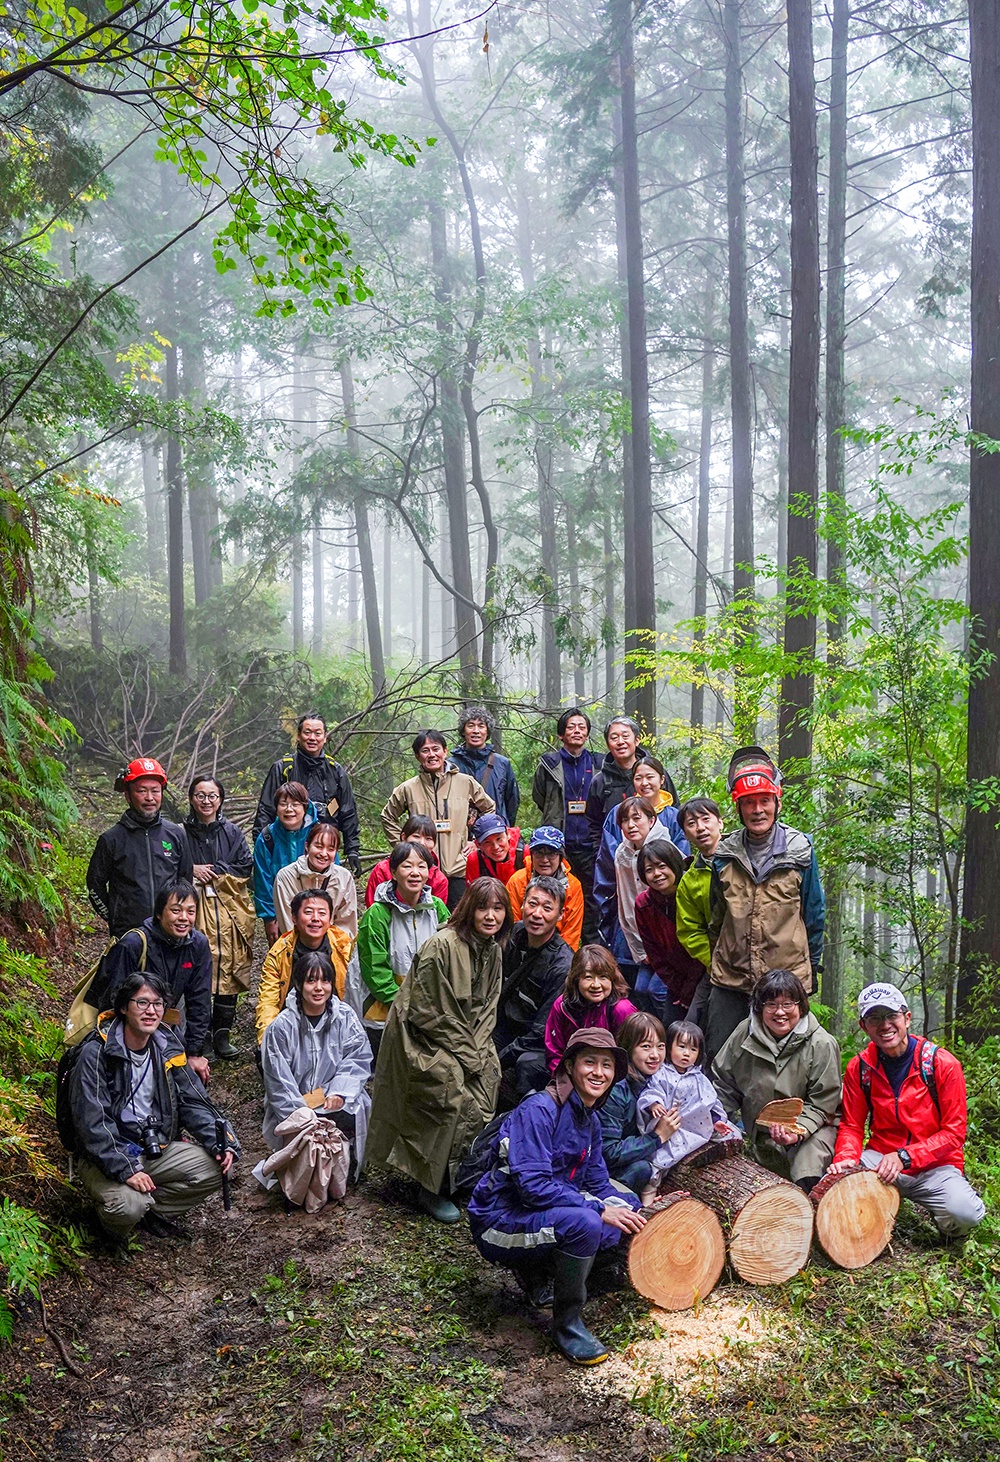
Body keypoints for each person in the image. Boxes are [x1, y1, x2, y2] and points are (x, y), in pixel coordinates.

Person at [468, 1027, 645, 1365]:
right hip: (499, 1221)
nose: (599, 1072)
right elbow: (532, 1187)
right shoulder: (539, 1109)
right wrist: (597, 1209)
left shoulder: (589, 1119)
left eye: (607, 1065)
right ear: (569, 1066)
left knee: (627, 1207)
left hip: (540, 1214)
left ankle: (542, 1276)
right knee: (586, 1222)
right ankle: (568, 1325)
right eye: (589, 1062)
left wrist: (639, 1210)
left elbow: (599, 1183)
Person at [366, 877, 513, 1223]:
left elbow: (487, 1008)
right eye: (483, 908)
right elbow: (429, 1011)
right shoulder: (442, 946)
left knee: (489, 1079)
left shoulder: (493, 950)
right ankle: (430, 1186)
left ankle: (459, 1174)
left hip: (466, 1039)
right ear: (469, 909)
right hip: (421, 1038)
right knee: (450, 1088)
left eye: (498, 909)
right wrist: (467, 1055)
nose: (490, 916)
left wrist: (479, 1052)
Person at [68, 972, 239, 1238]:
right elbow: (92, 1122)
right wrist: (126, 1168)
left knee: (216, 1168)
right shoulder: (96, 1052)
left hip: (153, 1147)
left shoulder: (166, 1045)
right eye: (142, 1003)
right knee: (127, 1207)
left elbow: (193, 1100)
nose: (151, 1011)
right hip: (106, 1154)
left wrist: (222, 1141)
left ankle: (150, 1212)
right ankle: (112, 1225)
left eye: (158, 1004)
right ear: (123, 1008)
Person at [826, 983, 985, 1238]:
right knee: (838, 1179)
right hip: (881, 1160)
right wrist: (845, 1157)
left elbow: (954, 1133)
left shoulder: (941, 1064)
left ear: (907, 1018)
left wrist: (905, 1157)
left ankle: (946, 1226)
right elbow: (852, 1126)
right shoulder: (860, 1068)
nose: (884, 1025)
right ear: (863, 1026)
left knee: (966, 1214)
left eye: (891, 1015)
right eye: (874, 1018)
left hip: (937, 1166)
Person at [704, 747, 825, 1065]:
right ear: (738, 807)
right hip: (731, 979)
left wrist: (812, 967)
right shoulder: (724, 854)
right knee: (720, 1058)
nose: (757, 810)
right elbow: (717, 916)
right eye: (749, 802)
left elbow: (813, 913)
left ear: (777, 802)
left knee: (789, 1064)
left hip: (786, 980)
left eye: (764, 801)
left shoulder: (800, 851)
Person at [712, 969, 841, 1194]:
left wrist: (797, 1131)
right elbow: (723, 1083)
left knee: (806, 1173)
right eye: (771, 1004)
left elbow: (824, 1103)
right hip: (763, 1133)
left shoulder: (822, 1044)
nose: (780, 1012)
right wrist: (716, 1118)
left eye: (788, 1004)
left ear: (801, 1006)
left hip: (812, 1131)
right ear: (759, 1007)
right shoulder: (744, 1034)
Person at [259, 950, 372, 1176]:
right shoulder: (281, 1027)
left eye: (325, 980)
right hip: (295, 1101)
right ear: (299, 984)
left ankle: (345, 1163)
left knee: (358, 1103)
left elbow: (357, 1057)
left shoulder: (345, 1017)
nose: (319, 988)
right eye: (311, 981)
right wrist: (301, 1112)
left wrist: (340, 1091)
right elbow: (278, 1081)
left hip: (333, 1095)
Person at [99, 880, 213, 1085]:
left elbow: (200, 1000)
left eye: (190, 912)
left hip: (167, 1027)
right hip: (130, 1029)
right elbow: (112, 1001)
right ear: (159, 913)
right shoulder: (133, 944)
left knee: (188, 1083)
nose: (184, 918)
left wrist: (194, 1052)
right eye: (176, 910)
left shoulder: (198, 945)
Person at [380, 731, 496, 907]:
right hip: (422, 872)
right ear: (417, 756)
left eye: (436, 749)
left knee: (458, 920)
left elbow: (489, 808)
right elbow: (387, 816)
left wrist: (477, 841)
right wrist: (405, 849)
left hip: (458, 869)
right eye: (425, 750)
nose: (432, 755)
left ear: (445, 751)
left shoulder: (465, 782)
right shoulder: (408, 788)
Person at [185, 775, 255, 1062]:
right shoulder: (180, 833)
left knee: (230, 966)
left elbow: (245, 865)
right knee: (199, 969)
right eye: (200, 795)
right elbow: (171, 863)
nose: (206, 801)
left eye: (212, 796)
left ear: (220, 799)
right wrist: (192, 869)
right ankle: (200, 1037)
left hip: (229, 909)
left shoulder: (232, 832)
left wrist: (216, 871)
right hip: (194, 908)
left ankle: (222, 1035)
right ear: (191, 799)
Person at [86, 758, 193, 939]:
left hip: (169, 933)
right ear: (128, 796)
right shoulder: (111, 839)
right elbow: (95, 885)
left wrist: (178, 918)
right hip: (128, 935)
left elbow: (185, 881)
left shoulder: (176, 834)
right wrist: (114, 917)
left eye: (155, 791)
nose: (149, 798)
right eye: (142, 791)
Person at [635, 1020, 737, 1205]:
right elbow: (651, 1091)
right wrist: (654, 1105)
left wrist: (715, 1121)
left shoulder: (699, 1078)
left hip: (694, 1127)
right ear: (669, 1046)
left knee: (732, 1135)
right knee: (657, 1163)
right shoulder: (661, 1073)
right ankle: (648, 1202)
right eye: (681, 1047)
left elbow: (709, 1102)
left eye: (693, 1049)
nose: (686, 1053)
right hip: (668, 1129)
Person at [494, 876, 574, 1101]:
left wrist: (499, 1058)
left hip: (535, 1040)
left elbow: (542, 1031)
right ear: (522, 905)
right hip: (504, 1023)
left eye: (547, 908)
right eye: (532, 904)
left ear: (560, 915)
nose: (537, 914)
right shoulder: (516, 933)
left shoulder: (562, 964)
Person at [354, 842, 450, 1027]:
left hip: (429, 1011)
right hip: (385, 1014)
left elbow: (450, 954)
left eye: (421, 866)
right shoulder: (378, 913)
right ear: (393, 872)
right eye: (407, 866)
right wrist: (407, 1005)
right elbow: (374, 969)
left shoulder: (437, 908)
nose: (415, 872)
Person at [252, 713, 361, 873]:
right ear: (298, 736)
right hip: (285, 846)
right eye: (307, 732)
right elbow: (266, 810)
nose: (312, 738)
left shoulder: (335, 772)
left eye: (317, 733)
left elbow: (348, 812)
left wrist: (352, 849)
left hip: (324, 849)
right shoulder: (283, 769)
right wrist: (260, 848)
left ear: (325, 737)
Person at [596, 797, 676, 997]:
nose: (630, 825)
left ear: (651, 820)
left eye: (636, 818)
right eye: (625, 820)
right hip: (643, 938)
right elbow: (626, 904)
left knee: (658, 991)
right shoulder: (622, 854)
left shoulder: (665, 849)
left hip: (672, 939)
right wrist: (641, 950)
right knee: (639, 989)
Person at [531, 708, 599, 944]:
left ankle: (589, 950)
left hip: (591, 845)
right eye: (571, 727)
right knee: (555, 894)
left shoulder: (598, 763)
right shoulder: (549, 764)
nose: (577, 731)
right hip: (559, 846)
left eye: (582, 727)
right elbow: (540, 796)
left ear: (587, 734)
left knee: (591, 900)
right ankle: (556, 947)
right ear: (561, 734)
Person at [256, 889, 352, 1044]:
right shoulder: (280, 952)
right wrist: (267, 1038)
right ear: (294, 918)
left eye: (322, 913)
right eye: (308, 912)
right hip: (292, 1024)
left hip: (336, 1022)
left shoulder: (344, 948)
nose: (315, 919)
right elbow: (268, 999)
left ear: (330, 919)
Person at [634, 842, 706, 1024]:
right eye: (649, 870)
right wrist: (680, 989)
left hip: (705, 973)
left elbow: (703, 943)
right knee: (671, 1026)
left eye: (661, 866)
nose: (656, 874)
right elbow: (655, 955)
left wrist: (690, 988)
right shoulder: (644, 904)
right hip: (677, 982)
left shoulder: (692, 891)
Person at [597, 1011, 668, 1195]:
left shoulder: (662, 1079)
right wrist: (657, 1137)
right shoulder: (616, 1089)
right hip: (604, 1169)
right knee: (641, 1169)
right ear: (628, 1048)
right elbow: (608, 1152)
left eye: (660, 1046)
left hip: (648, 1155)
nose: (655, 1055)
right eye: (646, 1047)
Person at [585, 718, 679, 849]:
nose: (620, 742)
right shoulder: (600, 781)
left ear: (637, 740)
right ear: (608, 744)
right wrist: (602, 853)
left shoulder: (656, 774)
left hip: (661, 854)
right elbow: (593, 824)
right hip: (616, 855)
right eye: (614, 738)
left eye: (625, 736)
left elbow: (675, 811)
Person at [544, 945, 637, 1072]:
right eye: (588, 977)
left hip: (610, 1075)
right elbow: (554, 1051)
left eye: (603, 977)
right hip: (570, 1072)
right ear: (576, 979)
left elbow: (633, 1056)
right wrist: (565, 1076)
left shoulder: (622, 1009)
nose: (596, 985)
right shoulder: (562, 1005)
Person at [674, 796, 725, 1024]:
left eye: (706, 819)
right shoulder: (689, 880)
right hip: (718, 965)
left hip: (760, 959)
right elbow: (690, 931)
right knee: (691, 1027)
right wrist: (714, 962)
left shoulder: (745, 859)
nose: (700, 828)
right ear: (685, 834)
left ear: (720, 822)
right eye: (692, 823)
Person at [253, 783, 320, 946]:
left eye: (295, 804)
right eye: (283, 804)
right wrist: (269, 918)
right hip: (281, 912)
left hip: (317, 913)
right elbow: (263, 882)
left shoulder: (318, 835)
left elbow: (332, 873)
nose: (289, 809)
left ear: (305, 807)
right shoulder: (267, 838)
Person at [273, 821, 358, 938]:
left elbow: (347, 924)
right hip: (295, 945)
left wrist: (330, 946)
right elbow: (287, 922)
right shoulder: (286, 877)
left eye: (330, 849)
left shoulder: (343, 878)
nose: (324, 853)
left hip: (332, 945)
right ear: (307, 846)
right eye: (319, 846)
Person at [506, 826, 585, 952]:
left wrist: (561, 957)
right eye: (539, 853)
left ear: (560, 856)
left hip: (557, 950)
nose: (544, 860)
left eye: (551, 854)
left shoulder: (573, 886)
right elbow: (512, 925)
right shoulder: (517, 881)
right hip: (522, 947)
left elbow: (572, 933)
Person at [450, 706, 520, 825]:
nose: (476, 731)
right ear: (463, 731)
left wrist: (506, 826)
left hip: (495, 830)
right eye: (471, 726)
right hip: (460, 830)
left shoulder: (502, 764)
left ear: (487, 731)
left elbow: (512, 801)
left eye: (481, 726)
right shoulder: (451, 765)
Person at [365, 815, 450, 907]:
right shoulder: (383, 870)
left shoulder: (439, 880)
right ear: (404, 837)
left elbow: (436, 912)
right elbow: (373, 908)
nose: (422, 843)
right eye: (416, 836)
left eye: (428, 839)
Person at [464, 813, 527, 885]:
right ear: (479, 845)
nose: (496, 847)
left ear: (507, 835)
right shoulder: (475, 861)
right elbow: (473, 891)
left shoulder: (525, 854)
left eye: (499, 839)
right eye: (487, 842)